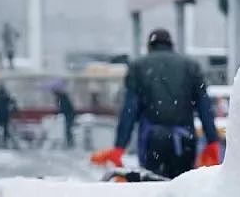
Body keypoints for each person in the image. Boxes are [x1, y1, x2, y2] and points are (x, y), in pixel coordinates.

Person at [91, 29, 221, 179]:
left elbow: (129, 109)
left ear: (149, 46)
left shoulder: (138, 66)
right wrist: (212, 141)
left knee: (153, 185)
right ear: (171, 45)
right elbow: (205, 106)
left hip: (152, 141)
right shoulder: (191, 66)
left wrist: (119, 146)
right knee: (183, 186)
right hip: (185, 140)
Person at [53, 85, 76, 149]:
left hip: (69, 114)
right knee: (68, 129)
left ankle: (70, 142)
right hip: (68, 114)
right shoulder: (61, 97)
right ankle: (69, 142)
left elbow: (64, 108)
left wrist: (58, 112)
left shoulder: (63, 97)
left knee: (68, 129)